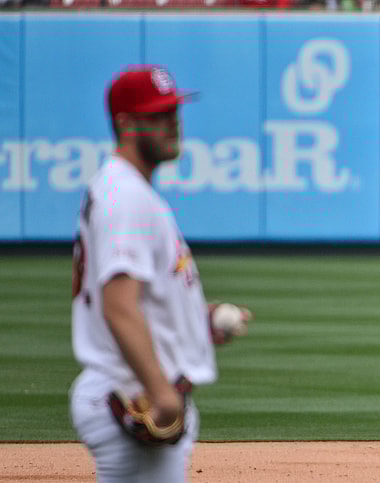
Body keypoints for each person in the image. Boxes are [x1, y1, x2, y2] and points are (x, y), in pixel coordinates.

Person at [69, 65, 249, 482]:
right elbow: (118, 308)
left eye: (173, 111)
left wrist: (198, 322)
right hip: (130, 390)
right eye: (157, 115)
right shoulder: (126, 197)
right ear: (125, 124)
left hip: (128, 386)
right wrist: (162, 393)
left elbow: (141, 299)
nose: (172, 123)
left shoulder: (121, 189)